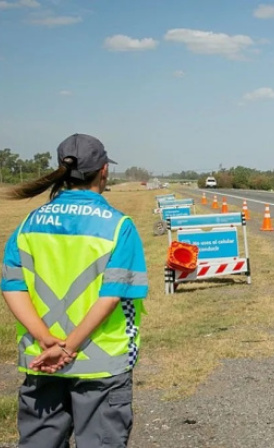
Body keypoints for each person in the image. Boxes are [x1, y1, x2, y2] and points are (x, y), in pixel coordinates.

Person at [1, 133, 148, 448]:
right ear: (104, 170)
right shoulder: (119, 226)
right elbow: (110, 297)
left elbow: (12, 287)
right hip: (102, 365)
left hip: (42, 359)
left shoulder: (28, 224)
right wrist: (69, 347)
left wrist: (45, 339)